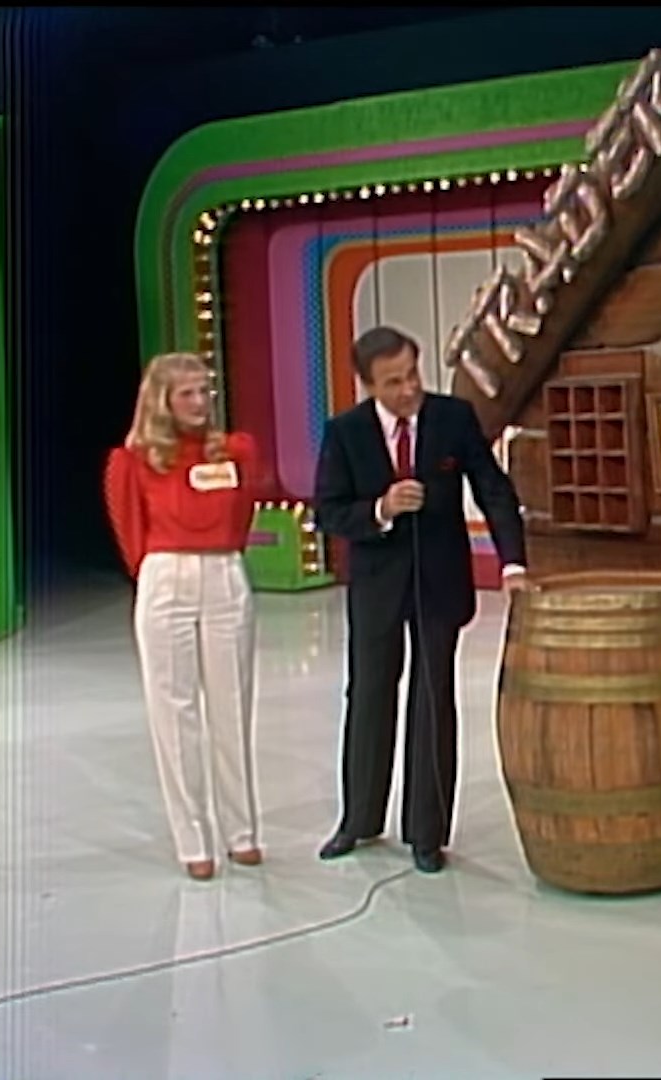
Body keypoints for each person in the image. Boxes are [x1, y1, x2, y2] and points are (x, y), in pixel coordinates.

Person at [313, 326, 528, 874]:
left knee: (434, 699)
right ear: (367, 385)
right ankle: (358, 819)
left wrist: (513, 563)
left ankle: (427, 833)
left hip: (439, 581)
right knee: (369, 695)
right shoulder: (345, 433)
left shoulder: (453, 418)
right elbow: (330, 510)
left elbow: (493, 488)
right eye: (394, 382)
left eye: (412, 375)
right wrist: (381, 508)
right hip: (377, 585)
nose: (409, 389)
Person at [103, 352, 263, 882]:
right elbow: (130, 533)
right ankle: (192, 837)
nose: (200, 402)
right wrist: (161, 570)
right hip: (166, 575)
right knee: (174, 712)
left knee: (232, 706)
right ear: (163, 401)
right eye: (187, 393)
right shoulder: (135, 460)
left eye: (204, 391)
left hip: (224, 573)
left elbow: (242, 515)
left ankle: (242, 832)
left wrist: (220, 558)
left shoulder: (235, 450)